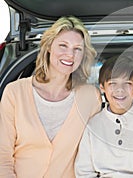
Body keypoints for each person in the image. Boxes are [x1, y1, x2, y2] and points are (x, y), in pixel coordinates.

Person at [0, 16, 102, 177]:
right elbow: (2, 157)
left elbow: (94, 155)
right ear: (49, 47)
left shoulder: (90, 97)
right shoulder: (15, 92)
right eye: (63, 45)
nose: (70, 55)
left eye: (78, 49)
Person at [75, 55, 133, 177]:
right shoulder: (92, 126)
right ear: (102, 87)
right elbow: (84, 172)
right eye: (112, 83)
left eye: (127, 83)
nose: (120, 90)